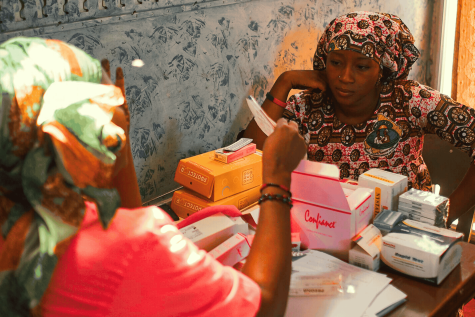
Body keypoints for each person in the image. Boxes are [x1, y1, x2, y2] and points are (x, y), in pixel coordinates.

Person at [0, 37, 307, 316]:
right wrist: (277, 178)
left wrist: (120, 150)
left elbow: (125, 221)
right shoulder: (132, 247)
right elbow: (264, 306)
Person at [243, 11, 475, 227]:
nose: (345, 77)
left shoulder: (409, 100)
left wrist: (443, 216)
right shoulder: (309, 106)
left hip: (403, 236)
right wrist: (285, 82)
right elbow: (250, 155)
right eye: (336, 63)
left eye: (362, 66)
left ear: (382, 70)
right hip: (330, 231)